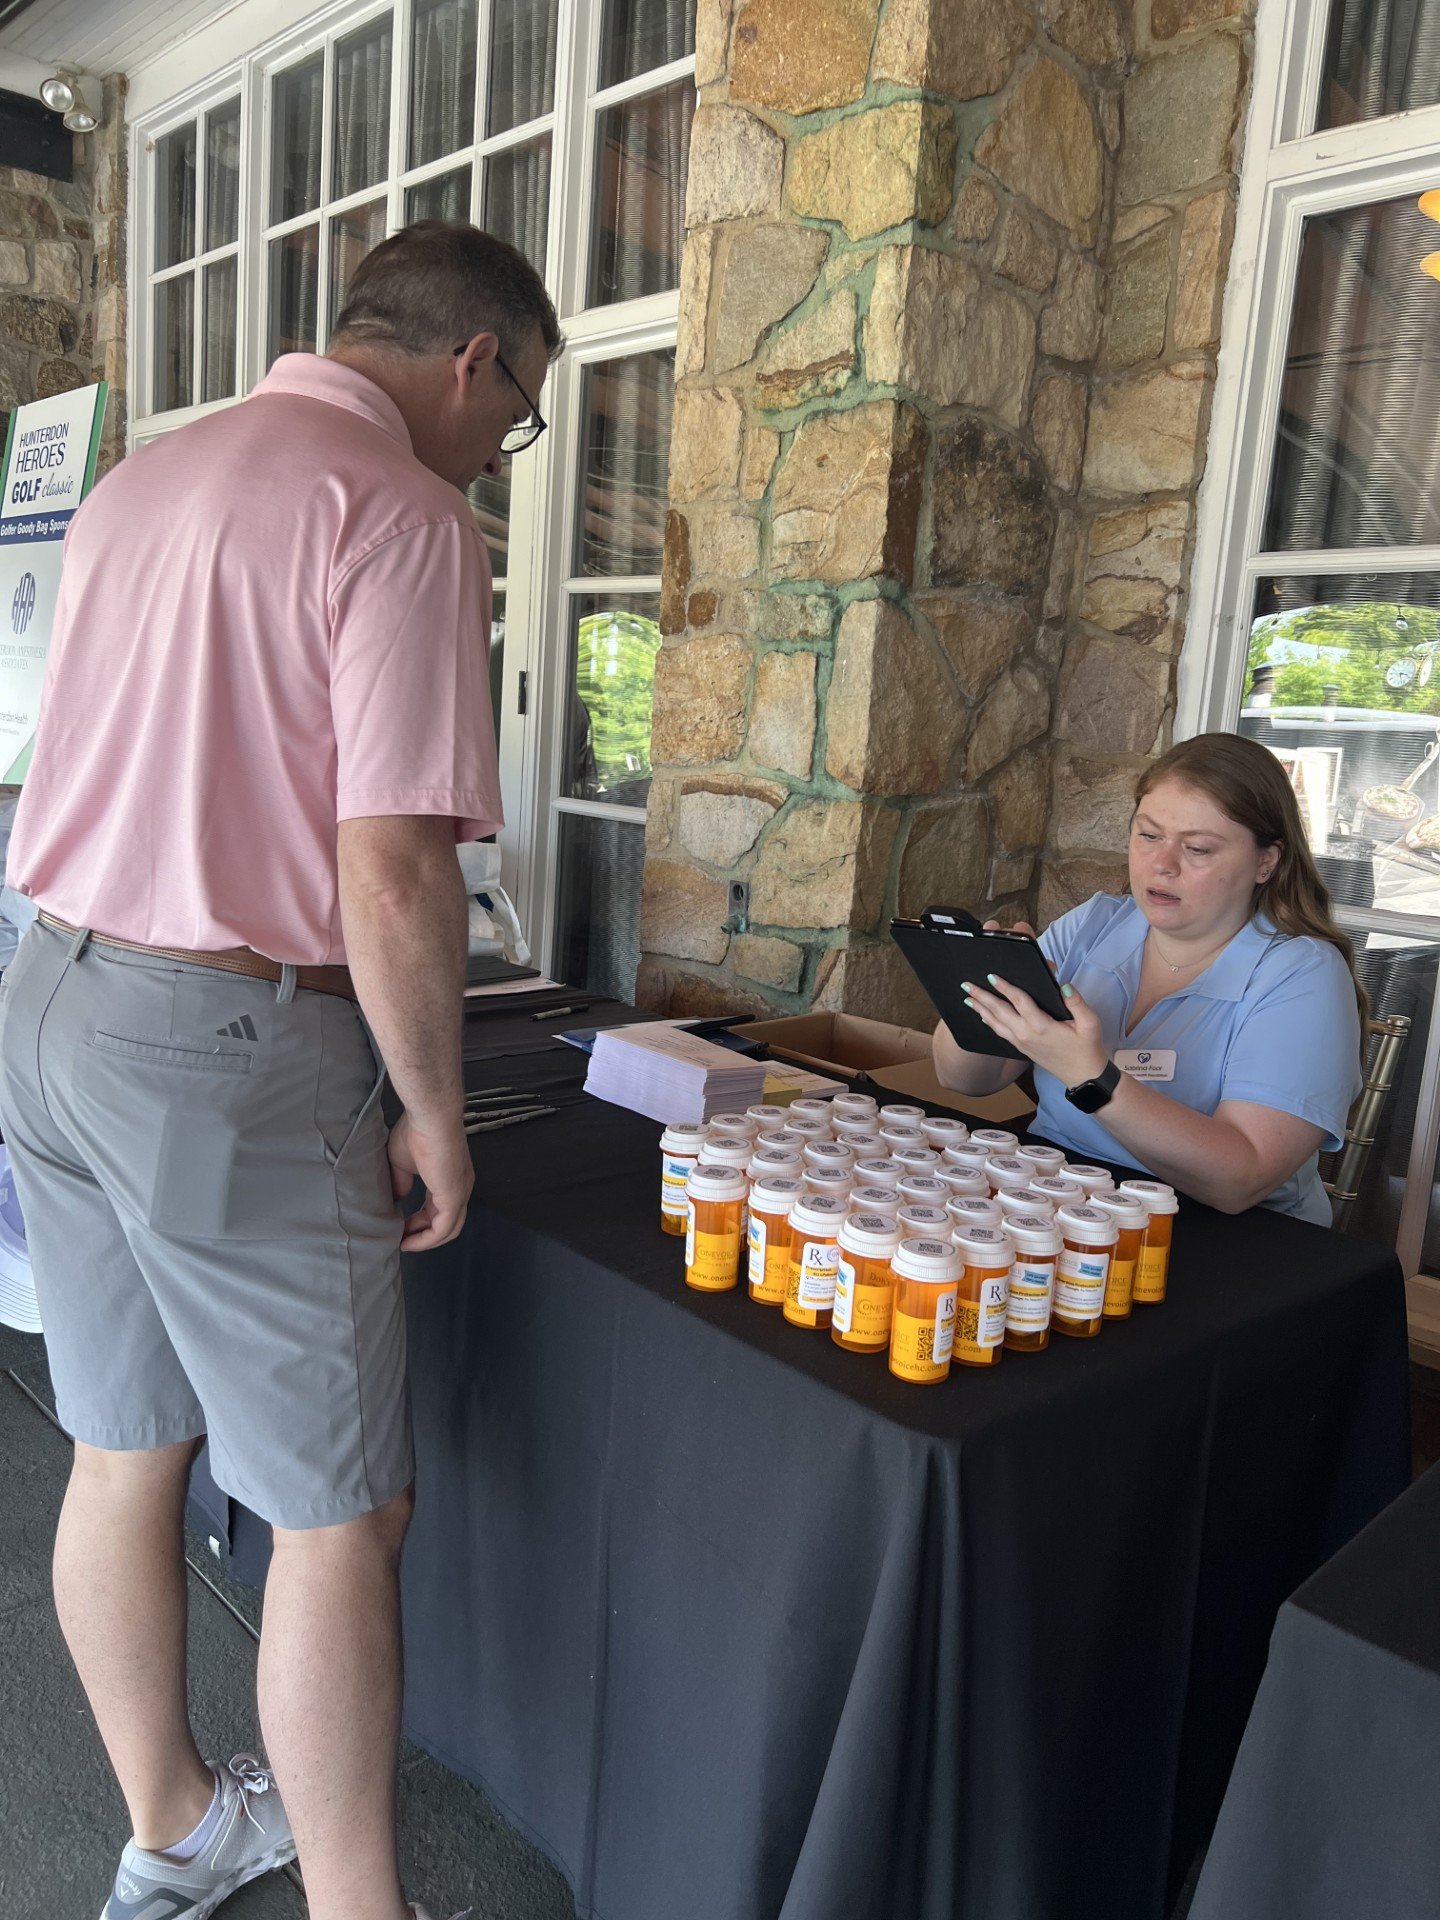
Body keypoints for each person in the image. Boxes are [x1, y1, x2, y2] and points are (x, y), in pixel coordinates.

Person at [0, 222, 561, 1920]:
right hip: (225, 1041)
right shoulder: (394, 509)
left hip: (53, 993)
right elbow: (388, 865)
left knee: (120, 1446)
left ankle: (180, 1825)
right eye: (520, 411)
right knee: (335, 1522)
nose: (502, 447)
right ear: (476, 363)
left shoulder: (146, 485)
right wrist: (438, 1112)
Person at [933, 733, 1366, 1223]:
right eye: (1149, 835)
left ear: (1266, 861)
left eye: (1198, 849)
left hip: (1230, 1239)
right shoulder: (1094, 924)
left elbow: (1241, 1179)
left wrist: (1090, 1076)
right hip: (1062, 1205)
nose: (1163, 865)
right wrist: (978, 998)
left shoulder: (1303, 975)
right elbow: (964, 1079)